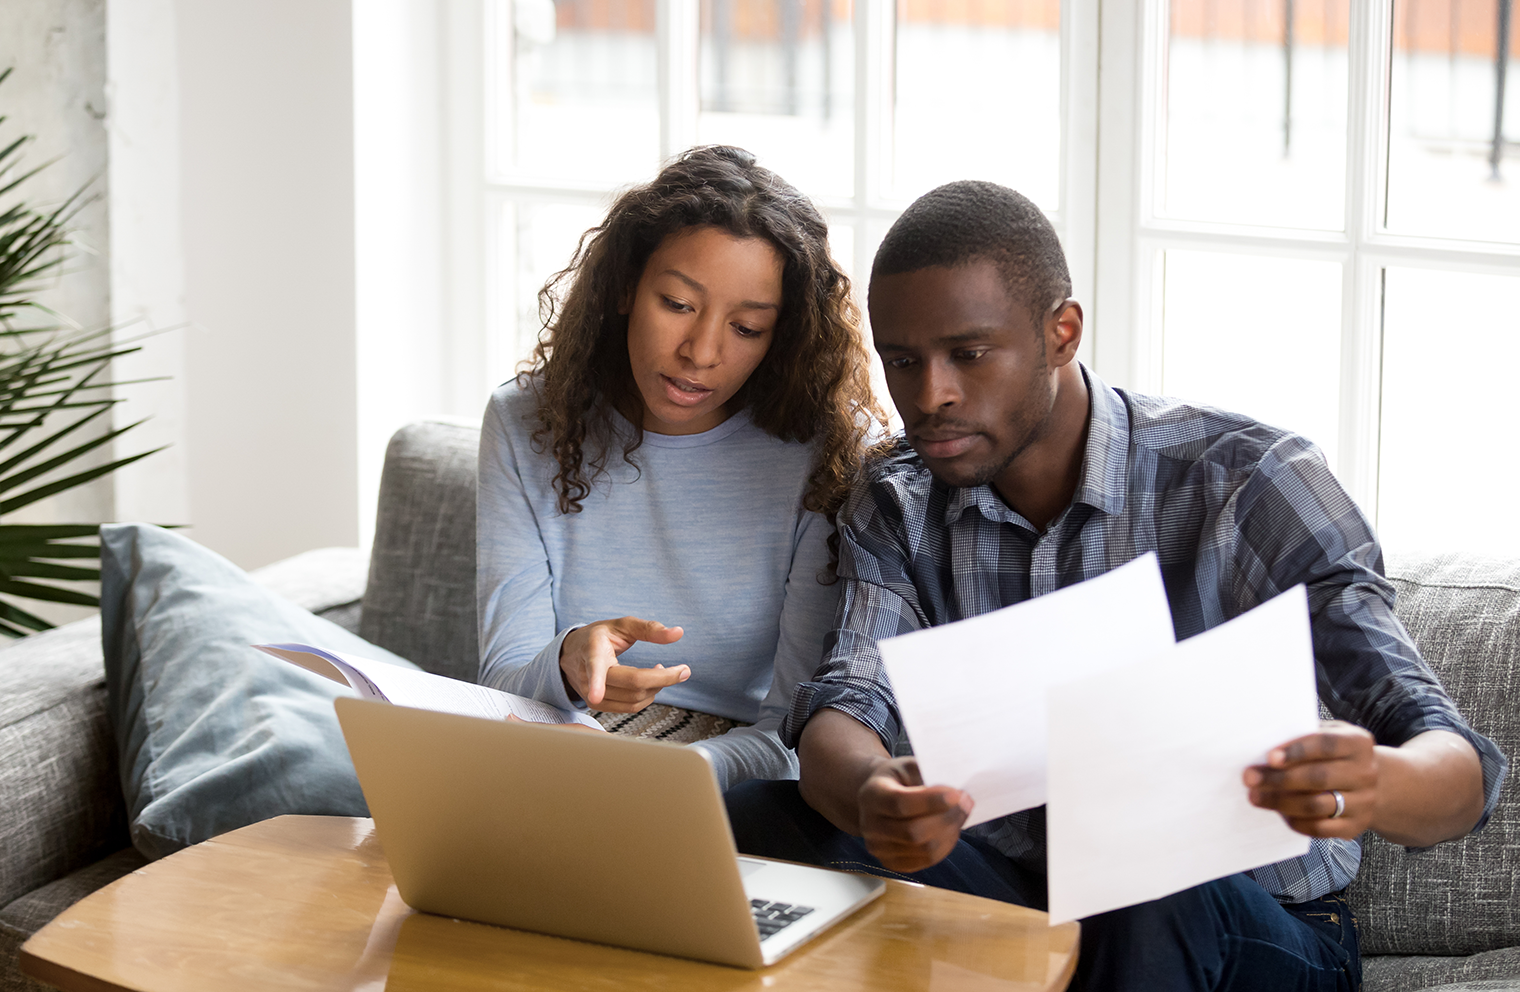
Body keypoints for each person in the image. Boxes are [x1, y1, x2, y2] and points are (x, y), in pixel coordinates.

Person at [724, 181, 1506, 991]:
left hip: (1247, 927)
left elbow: (1460, 769)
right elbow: (846, 703)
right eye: (902, 360)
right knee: (757, 821)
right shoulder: (899, 499)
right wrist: (870, 793)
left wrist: (1377, 781)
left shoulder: (1251, 484)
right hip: (1030, 903)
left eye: (969, 354)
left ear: (1062, 333)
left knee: (1145, 891)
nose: (931, 397)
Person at [476, 145, 881, 792]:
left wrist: (671, 777)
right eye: (677, 303)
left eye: (747, 328)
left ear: (784, 337)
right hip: (563, 748)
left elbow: (799, 732)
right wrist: (569, 658)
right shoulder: (526, 422)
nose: (701, 352)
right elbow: (502, 686)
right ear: (624, 290)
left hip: (740, 778)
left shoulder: (826, 452)